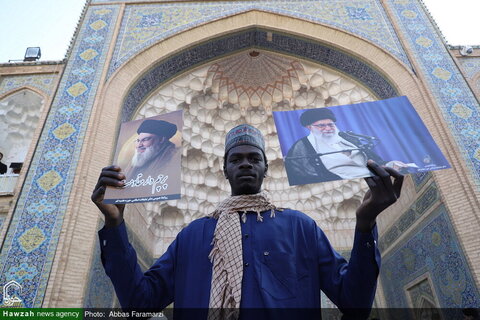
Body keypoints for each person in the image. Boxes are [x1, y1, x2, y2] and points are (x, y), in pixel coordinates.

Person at [92, 124, 403, 320]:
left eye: (254, 159)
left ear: (266, 169)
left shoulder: (299, 228)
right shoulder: (194, 236)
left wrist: (365, 222)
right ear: (225, 170)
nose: (245, 164)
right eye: (236, 160)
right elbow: (140, 302)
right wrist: (115, 225)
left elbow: (356, 304)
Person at [284, 108, 408, 185]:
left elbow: (375, 161)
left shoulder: (348, 139)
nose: (328, 128)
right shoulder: (301, 147)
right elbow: (303, 176)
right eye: (321, 126)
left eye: (330, 124)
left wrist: (391, 164)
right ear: (309, 127)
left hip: (374, 180)